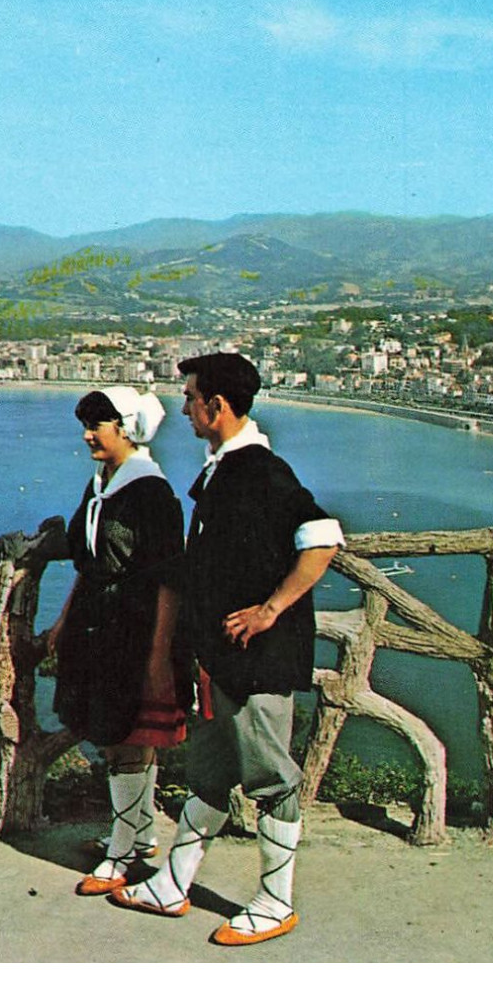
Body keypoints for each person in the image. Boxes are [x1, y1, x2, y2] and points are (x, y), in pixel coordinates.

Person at [110, 353, 343, 947]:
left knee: (272, 779)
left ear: (216, 405)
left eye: (189, 397)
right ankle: (174, 883)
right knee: (210, 775)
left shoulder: (262, 471)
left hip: (258, 661)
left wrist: (271, 609)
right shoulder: (225, 469)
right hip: (222, 657)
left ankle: (275, 901)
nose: (183, 408)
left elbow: (322, 538)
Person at [46, 387, 189, 897]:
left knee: (128, 739)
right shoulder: (101, 484)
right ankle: (139, 832)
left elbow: (171, 579)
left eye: (97, 425)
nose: (87, 434)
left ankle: (123, 852)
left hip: (134, 625)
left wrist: (158, 655)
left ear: (126, 428)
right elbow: (88, 563)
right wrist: (64, 621)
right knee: (112, 735)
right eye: (86, 424)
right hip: (96, 622)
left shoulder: (152, 493)